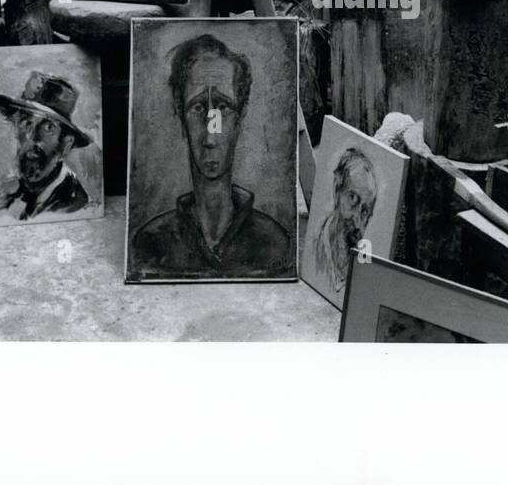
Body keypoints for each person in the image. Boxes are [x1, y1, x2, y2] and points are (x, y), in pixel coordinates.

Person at [128, 33, 293, 278]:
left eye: (223, 107)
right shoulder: (151, 242)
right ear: (179, 111)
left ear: (241, 115)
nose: (210, 138)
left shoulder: (274, 243)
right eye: (197, 108)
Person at [0, 72, 91, 222]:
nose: (32, 137)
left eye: (48, 127)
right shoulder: (4, 194)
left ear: (66, 144)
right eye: (26, 123)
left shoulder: (74, 203)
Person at [310, 146, 379, 297]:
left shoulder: (363, 264)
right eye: (353, 198)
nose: (357, 220)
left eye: (365, 211)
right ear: (336, 190)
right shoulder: (316, 243)